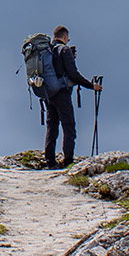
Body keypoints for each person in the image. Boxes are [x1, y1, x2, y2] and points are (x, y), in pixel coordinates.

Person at [44, 25, 100, 169]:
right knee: (69, 127)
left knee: (52, 128)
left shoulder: (48, 51)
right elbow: (73, 74)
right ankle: (68, 161)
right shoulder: (65, 50)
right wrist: (91, 85)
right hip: (62, 93)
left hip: (49, 93)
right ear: (64, 36)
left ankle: (50, 161)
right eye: (68, 38)